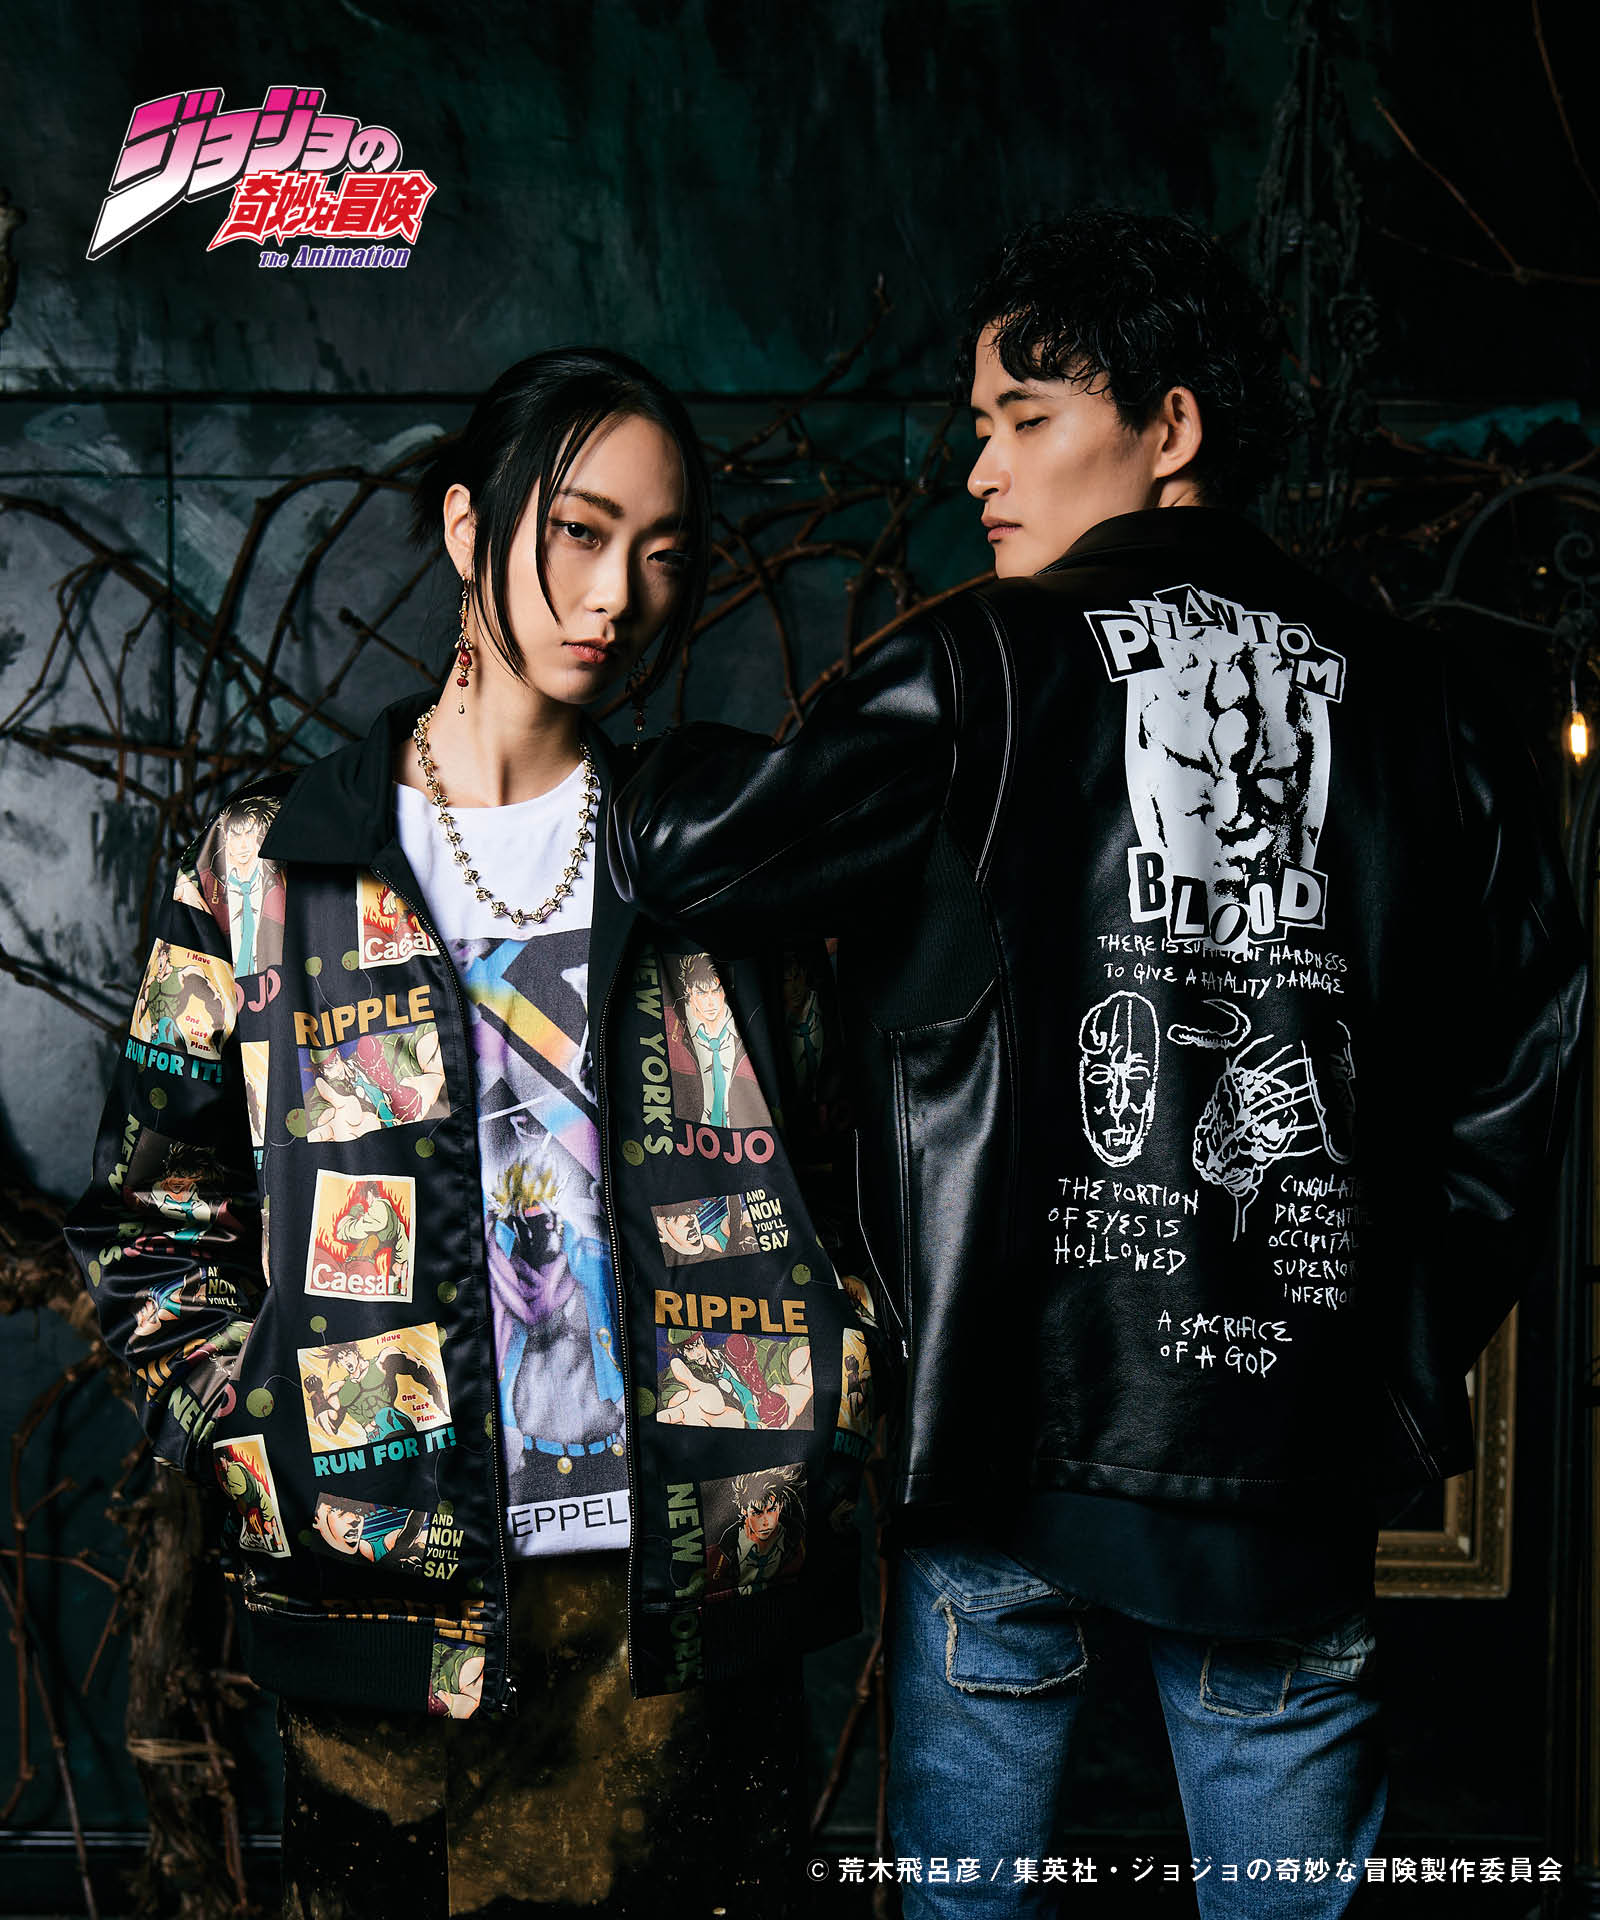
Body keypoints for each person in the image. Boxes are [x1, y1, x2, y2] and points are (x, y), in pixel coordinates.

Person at [609, 210, 1586, 1916]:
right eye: (977, 424)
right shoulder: (1430, 706)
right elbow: (1534, 1050)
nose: (978, 468)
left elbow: (700, 855)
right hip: (1291, 1466)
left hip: (1011, 1442)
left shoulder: (980, 664)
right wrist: (1401, 1342)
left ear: (1171, 426)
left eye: (1026, 416)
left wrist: (590, 714)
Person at [67, 347, 885, 1918]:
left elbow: (846, 1177)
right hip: (391, 1617)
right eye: (579, 532)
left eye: (663, 552)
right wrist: (264, 1439)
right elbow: (148, 1218)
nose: (619, 596)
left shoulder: (712, 862)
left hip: (685, 1604)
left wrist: (823, 1409)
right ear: (466, 526)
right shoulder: (272, 867)